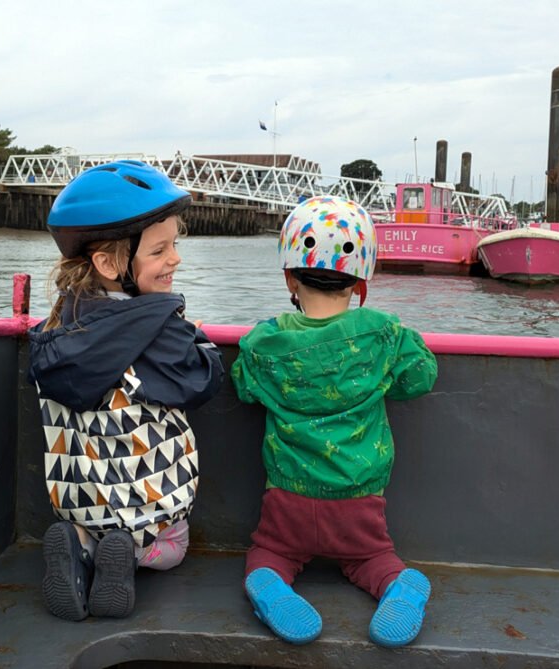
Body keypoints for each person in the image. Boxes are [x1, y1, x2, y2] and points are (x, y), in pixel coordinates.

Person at [231, 196, 439, 647]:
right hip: (359, 499)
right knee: (373, 559)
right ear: (361, 282)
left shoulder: (264, 344)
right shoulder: (383, 334)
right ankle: (397, 584)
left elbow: (244, 386)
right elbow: (420, 377)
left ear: (289, 276)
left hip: (288, 498)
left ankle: (268, 583)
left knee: (269, 555)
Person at [27, 160, 225, 622]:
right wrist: (197, 338)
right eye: (159, 251)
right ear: (110, 263)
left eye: (174, 245)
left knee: (86, 523)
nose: (174, 258)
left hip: (79, 502)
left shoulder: (55, 325)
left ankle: (79, 546)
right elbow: (203, 380)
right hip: (148, 507)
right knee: (175, 546)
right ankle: (134, 555)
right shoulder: (159, 328)